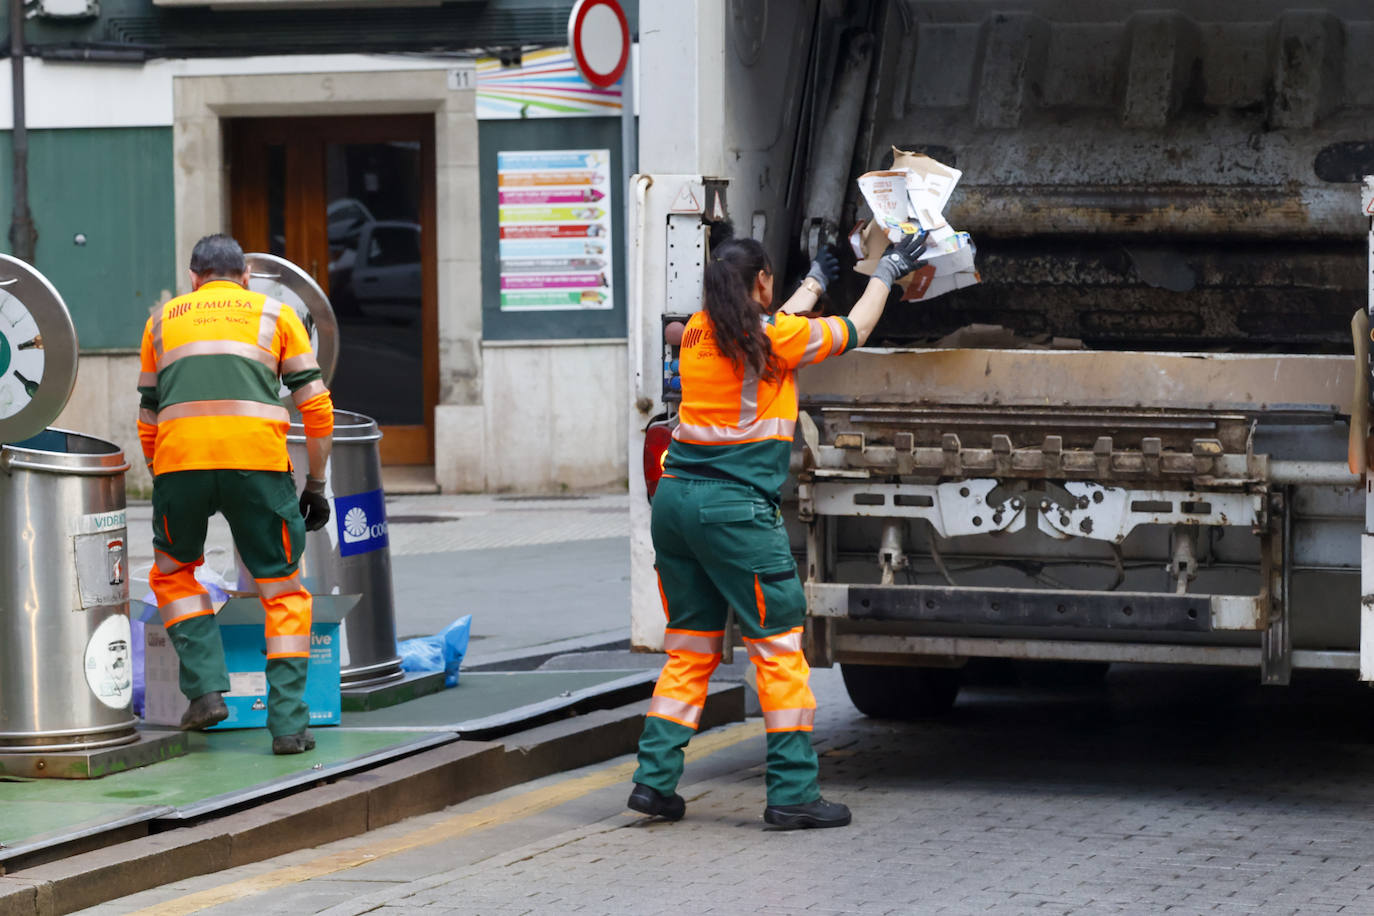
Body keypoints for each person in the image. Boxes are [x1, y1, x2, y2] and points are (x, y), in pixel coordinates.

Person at [627, 230, 928, 829]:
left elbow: (770, 324)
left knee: (690, 648)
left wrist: (814, 279)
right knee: (777, 649)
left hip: (676, 504)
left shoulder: (695, 331)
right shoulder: (771, 339)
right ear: (762, 282)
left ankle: (653, 783)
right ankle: (792, 791)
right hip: (734, 513)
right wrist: (886, 274)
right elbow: (855, 329)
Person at [137, 233, 335, 755]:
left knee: (173, 573)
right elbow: (317, 408)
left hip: (181, 466)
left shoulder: (161, 321)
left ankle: (205, 690)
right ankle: (289, 726)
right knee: (283, 590)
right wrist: (315, 484)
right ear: (245, 277)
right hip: (258, 468)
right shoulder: (276, 314)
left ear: (193, 278)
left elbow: (148, 416)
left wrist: (164, 476)